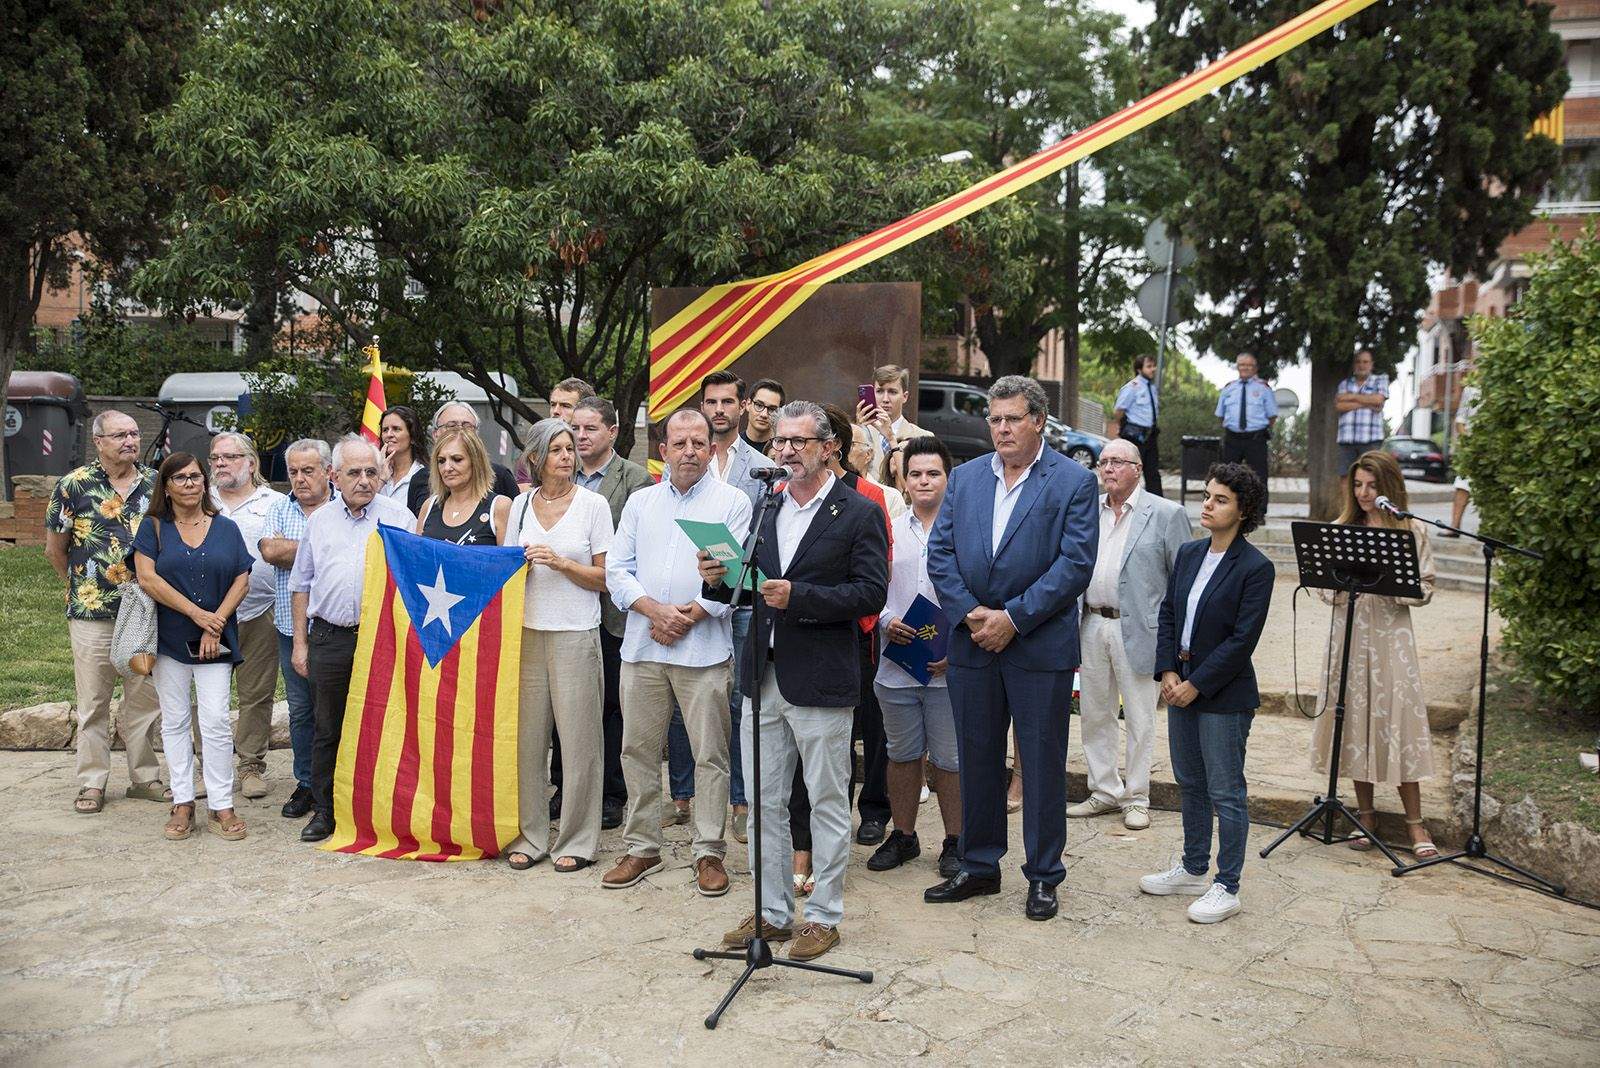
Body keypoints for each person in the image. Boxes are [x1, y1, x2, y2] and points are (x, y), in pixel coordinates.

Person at [702, 400, 889, 962]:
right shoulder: (767, 507)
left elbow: (870, 594)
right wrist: (715, 580)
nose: (783, 451)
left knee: (829, 799)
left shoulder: (858, 513)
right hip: (764, 676)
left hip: (822, 677)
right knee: (763, 801)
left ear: (828, 447)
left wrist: (800, 596)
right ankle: (774, 911)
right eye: (779, 442)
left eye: (797, 442)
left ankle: (824, 916)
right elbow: (743, 589)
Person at [924, 375, 1098, 922]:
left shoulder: (1072, 481)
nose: (1000, 429)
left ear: (1038, 421)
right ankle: (979, 866)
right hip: (972, 640)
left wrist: (1014, 619)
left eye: (1011, 419)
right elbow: (941, 551)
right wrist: (971, 613)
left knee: (1042, 764)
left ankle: (1044, 875)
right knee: (976, 758)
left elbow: (1074, 565)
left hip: (1037, 647)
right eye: (994, 420)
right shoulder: (969, 477)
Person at [601, 409, 751, 897]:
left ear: (711, 448)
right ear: (662, 451)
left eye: (698, 443)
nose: (689, 451)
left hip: (704, 650)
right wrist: (654, 611)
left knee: (710, 755)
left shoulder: (732, 502)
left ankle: (708, 851)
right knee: (637, 749)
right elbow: (617, 571)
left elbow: (734, 576)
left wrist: (687, 616)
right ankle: (642, 846)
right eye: (679, 443)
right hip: (644, 647)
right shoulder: (641, 503)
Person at [1140, 462, 1273, 924]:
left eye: (1220, 499)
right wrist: (1168, 672)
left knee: (1226, 790)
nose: (1208, 505)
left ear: (1243, 511)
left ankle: (1227, 884)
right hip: (1182, 685)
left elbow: (1243, 640)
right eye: (1207, 495)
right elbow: (1169, 613)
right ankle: (1194, 868)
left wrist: (1198, 684)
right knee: (1190, 783)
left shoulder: (1256, 567)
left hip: (1223, 694)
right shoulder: (1191, 553)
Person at [1310, 450, 1438, 858]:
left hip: (1390, 638)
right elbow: (1324, 589)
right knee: (1353, 722)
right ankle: (1365, 816)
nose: (1364, 493)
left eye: (1373, 486)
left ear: (1389, 488)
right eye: (1358, 485)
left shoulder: (1411, 529)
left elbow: (1426, 587)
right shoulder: (1342, 528)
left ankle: (1415, 825)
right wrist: (1334, 584)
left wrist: (1398, 585)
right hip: (1348, 635)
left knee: (1397, 720)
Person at [288, 436, 416, 843]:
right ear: (335, 476)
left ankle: (376, 812)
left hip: (383, 640)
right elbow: (301, 584)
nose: (364, 480)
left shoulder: (400, 518)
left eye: (372, 472)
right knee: (328, 728)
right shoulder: (319, 521)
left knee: (382, 725)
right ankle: (326, 811)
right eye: (354, 472)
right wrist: (300, 644)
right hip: (329, 638)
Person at [501, 419, 614, 872]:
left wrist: (562, 563)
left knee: (580, 741)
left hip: (575, 633)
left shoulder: (594, 505)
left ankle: (578, 840)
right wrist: (519, 568)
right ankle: (530, 836)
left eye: (570, 448)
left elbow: (606, 579)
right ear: (536, 458)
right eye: (557, 449)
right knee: (527, 742)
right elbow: (504, 569)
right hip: (527, 632)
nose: (567, 456)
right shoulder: (522, 506)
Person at [45, 411, 167, 815]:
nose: (130, 441)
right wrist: (82, 587)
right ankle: (92, 782)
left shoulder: (155, 484)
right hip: (91, 612)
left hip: (145, 611)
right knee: (94, 700)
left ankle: (145, 778)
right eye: (120, 435)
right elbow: (55, 549)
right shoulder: (73, 485)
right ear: (98, 441)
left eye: (133, 434)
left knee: (143, 698)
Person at [1068, 439, 1191, 829]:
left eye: (1117, 462)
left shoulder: (1167, 514)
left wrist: (1177, 645)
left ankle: (1137, 796)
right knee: (1095, 713)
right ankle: (1104, 789)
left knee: (1139, 717)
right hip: (1090, 621)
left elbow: (1182, 582)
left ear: (1137, 468)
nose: (1107, 469)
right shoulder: (1089, 512)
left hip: (1139, 628)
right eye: (1103, 462)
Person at [132, 453, 254, 842]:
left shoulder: (226, 528)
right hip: (167, 640)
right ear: (165, 486)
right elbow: (147, 578)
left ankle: (221, 803)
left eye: (196, 477)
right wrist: (196, 614)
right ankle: (183, 801)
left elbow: (242, 578)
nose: (190, 483)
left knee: (216, 721)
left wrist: (213, 622)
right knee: (175, 720)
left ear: (205, 482)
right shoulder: (153, 528)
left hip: (215, 640)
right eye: (180, 478)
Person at [868, 436, 963, 878]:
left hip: (952, 667)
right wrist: (885, 620)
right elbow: (870, 585)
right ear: (902, 481)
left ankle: (956, 841)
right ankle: (903, 835)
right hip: (897, 661)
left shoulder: (966, 529)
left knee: (950, 760)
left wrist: (956, 646)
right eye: (915, 474)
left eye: (933, 473)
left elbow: (981, 592)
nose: (924, 481)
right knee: (901, 754)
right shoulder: (885, 528)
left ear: (948, 477)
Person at [570, 395, 651, 829]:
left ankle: (611, 796)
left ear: (613, 431)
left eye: (590, 429)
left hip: (615, 613)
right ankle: (568, 789)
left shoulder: (635, 480)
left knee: (614, 708)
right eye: (576, 429)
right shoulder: (561, 475)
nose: (580, 437)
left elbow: (632, 547)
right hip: (568, 608)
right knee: (573, 705)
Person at [258, 438, 334, 819]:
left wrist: (297, 550)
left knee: (335, 710)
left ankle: (336, 785)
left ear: (327, 471)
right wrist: (324, 548)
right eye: (293, 472)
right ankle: (306, 783)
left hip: (338, 631)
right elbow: (269, 551)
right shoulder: (278, 506)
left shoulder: (345, 506)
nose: (300, 479)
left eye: (309, 470)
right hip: (291, 630)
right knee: (302, 712)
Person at [208, 431, 285, 801]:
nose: (220, 463)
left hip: (259, 611)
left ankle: (251, 765)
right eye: (215, 458)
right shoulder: (197, 500)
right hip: (205, 616)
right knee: (210, 693)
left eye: (229, 457)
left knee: (256, 693)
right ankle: (211, 766)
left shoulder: (276, 503)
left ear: (251, 463)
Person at [414, 402, 520, 512]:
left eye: (467, 427)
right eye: (451, 426)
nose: (459, 432)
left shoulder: (500, 477)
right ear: (435, 434)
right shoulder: (420, 480)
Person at [414, 428, 512, 546]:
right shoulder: (428, 506)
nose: (447, 468)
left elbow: (508, 561)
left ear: (476, 462)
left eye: (457, 459)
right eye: (441, 461)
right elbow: (416, 558)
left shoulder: (499, 507)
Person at [1215, 353, 1277, 504]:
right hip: (1232, 439)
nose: (1245, 368)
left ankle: (1259, 513)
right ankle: (1226, 507)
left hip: (1255, 439)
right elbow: (1221, 414)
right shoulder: (1229, 388)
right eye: (1242, 365)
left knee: (1259, 476)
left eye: (1249, 365)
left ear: (1255, 368)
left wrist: (1258, 430)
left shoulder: (1263, 388)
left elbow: (1272, 416)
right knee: (1227, 476)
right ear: (1237, 367)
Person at [1335, 349, 1390, 485]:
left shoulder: (1380, 380)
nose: (1362, 365)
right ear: (1354, 365)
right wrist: (1367, 402)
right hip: (1347, 439)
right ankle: (1348, 506)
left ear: (1371, 364)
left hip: (1370, 439)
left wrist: (1351, 397)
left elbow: (1378, 400)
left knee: (1372, 477)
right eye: (1358, 362)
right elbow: (1339, 406)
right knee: (1345, 477)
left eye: (1365, 362)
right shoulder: (1344, 384)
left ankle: (1369, 506)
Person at [1113, 354, 1164, 497]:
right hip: (1134, 436)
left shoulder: (1152, 388)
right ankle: (1124, 501)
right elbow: (1119, 410)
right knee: (1130, 471)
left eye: (1153, 366)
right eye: (1149, 366)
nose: (1153, 369)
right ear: (1139, 369)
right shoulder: (1132, 387)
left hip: (1151, 436)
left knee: (1153, 473)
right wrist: (1119, 426)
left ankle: (1158, 506)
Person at [1444, 383, 1480, 537]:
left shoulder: (1501, 390)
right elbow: (1460, 420)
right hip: (1471, 448)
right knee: (1462, 485)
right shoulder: (1471, 390)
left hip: (1495, 447)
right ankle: (1454, 526)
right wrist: (1469, 444)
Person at [378, 405, 428, 504]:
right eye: (385, 430)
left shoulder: (425, 476)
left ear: (413, 437)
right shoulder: (373, 473)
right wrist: (381, 480)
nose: (389, 435)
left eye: (396, 429)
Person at [740, 378, 785, 455]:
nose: (764, 414)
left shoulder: (783, 451)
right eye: (759, 405)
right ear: (748, 404)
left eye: (772, 409)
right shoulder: (732, 446)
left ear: (779, 413)